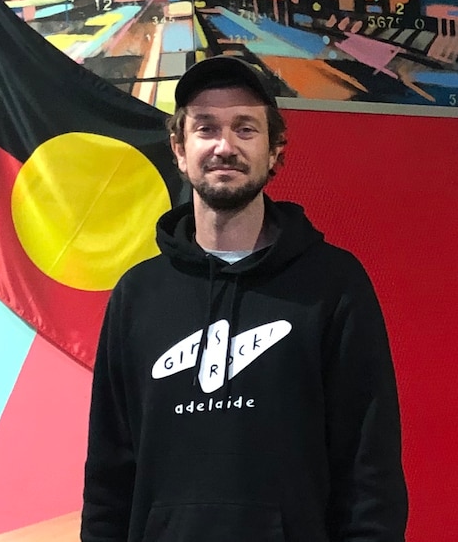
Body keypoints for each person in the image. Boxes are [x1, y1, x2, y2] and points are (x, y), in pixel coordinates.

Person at [80, 56, 408, 542]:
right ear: (178, 147)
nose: (224, 146)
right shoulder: (136, 295)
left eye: (245, 129)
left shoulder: (333, 283)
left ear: (276, 148)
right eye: (205, 128)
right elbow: (109, 475)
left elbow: (369, 472)